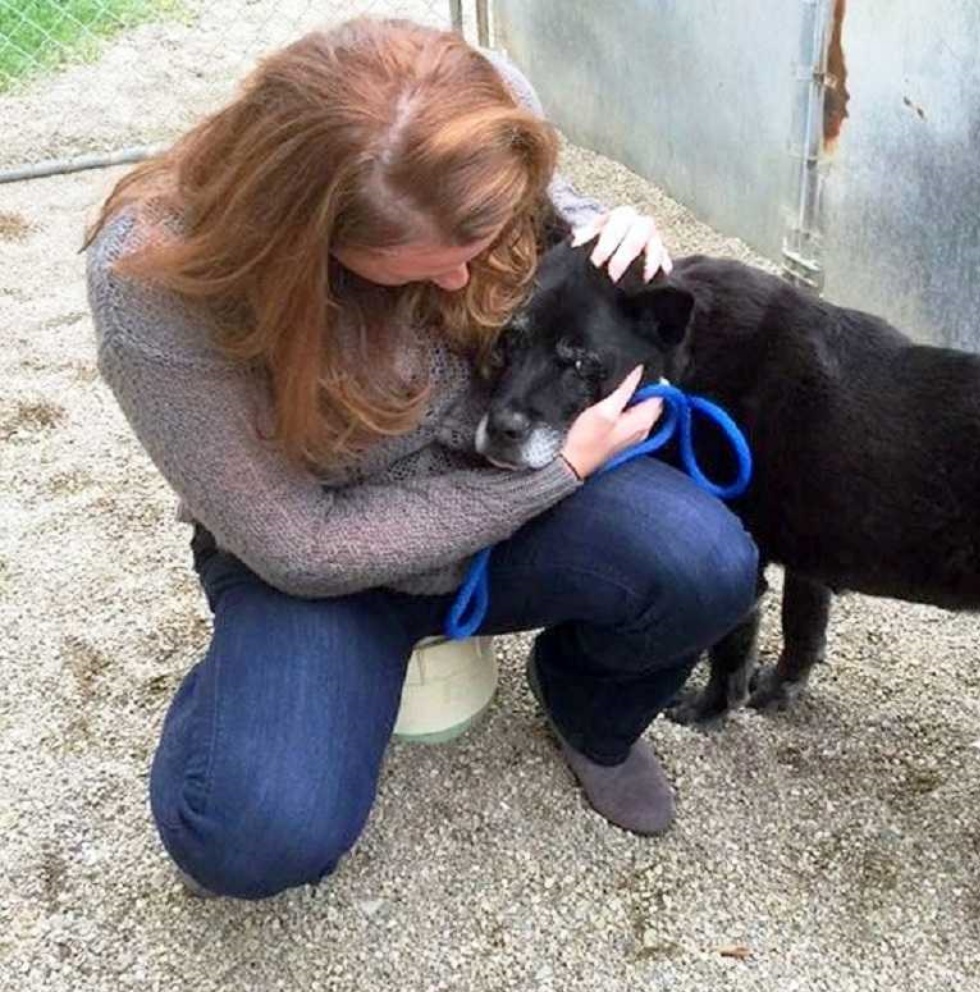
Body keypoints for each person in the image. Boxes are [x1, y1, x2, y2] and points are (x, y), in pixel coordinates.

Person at [83, 17, 757, 900]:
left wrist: (604, 230)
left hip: (503, 484)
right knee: (249, 834)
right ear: (309, 242)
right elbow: (299, 546)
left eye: (473, 258)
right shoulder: (153, 288)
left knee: (712, 565)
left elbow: (543, 218)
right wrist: (562, 472)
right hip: (326, 557)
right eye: (423, 270)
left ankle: (586, 708)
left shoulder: (482, 115)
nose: (460, 285)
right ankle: (263, 698)